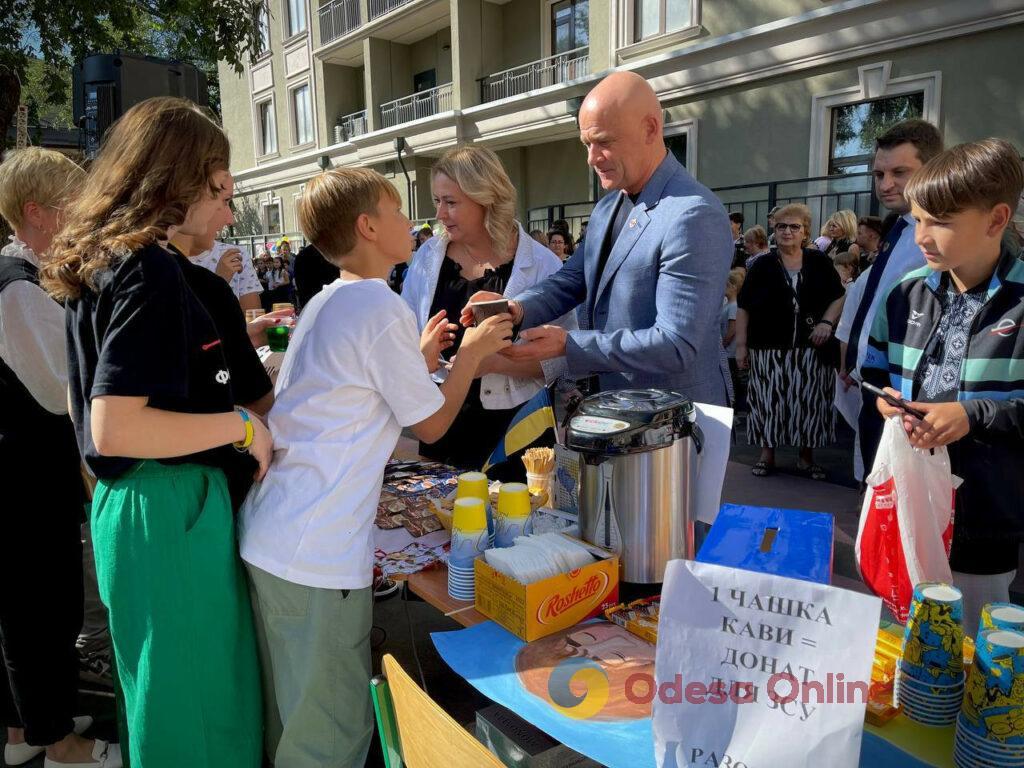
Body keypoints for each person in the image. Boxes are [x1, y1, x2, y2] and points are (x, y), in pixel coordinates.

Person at [239, 167, 513, 767]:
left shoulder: (329, 301)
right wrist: (471, 355)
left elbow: (350, 396)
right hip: (314, 551)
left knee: (294, 721)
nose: (412, 222)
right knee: (330, 736)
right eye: (397, 210)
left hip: (278, 535)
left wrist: (420, 359)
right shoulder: (379, 304)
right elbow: (433, 426)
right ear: (367, 226)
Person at [41, 97, 270, 768]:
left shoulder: (104, 261)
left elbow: (83, 409)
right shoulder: (149, 267)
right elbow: (115, 426)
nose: (227, 210)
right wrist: (241, 427)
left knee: (164, 703)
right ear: (178, 181)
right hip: (166, 508)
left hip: (136, 510)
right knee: (199, 713)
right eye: (221, 190)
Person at [463, 71, 732, 405]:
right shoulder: (608, 208)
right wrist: (517, 308)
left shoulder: (692, 214)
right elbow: (569, 281)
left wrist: (569, 345)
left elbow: (677, 344)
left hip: (676, 425)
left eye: (604, 142)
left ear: (650, 128)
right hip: (619, 415)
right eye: (587, 144)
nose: (592, 158)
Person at [860, 139, 1024, 634]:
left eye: (941, 222)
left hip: (985, 517)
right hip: (908, 508)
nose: (923, 236)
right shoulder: (904, 292)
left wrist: (971, 414)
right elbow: (874, 374)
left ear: (996, 220)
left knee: (975, 652)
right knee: (906, 644)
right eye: (918, 220)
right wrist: (889, 405)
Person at [0, 148, 120, 768]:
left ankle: (26, 731)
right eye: (74, 208)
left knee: (34, 614)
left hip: (24, 481)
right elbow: (64, 395)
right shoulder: (17, 291)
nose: (84, 220)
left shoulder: (23, 284)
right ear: (36, 214)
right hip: (24, 488)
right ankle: (61, 746)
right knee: (38, 618)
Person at [402, 146, 570, 479]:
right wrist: (423, 349)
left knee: (515, 524)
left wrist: (494, 362)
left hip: (516, 428)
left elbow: (562, 357)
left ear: (487, 199)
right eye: (437, 201)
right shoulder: (427, 258)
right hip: (442, 419)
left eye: (451, 202)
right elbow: (405, 336)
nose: (441, 214)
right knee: (442, 522)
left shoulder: (542, 264)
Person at [835, 119, 944, 480]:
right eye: (879, 174)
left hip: (911, 397)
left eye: (900, 172)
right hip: (877, 387)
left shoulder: (945, 233)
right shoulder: (899, 227)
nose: (886, 184)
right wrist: (856, 360)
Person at [735, 203, 846, 479]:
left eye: (794, 227)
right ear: (775, 230)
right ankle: (766, 455)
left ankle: (806, 458)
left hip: (811, 347)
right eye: (782, 226)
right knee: (767, 400)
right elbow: (743, 306)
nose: (787, 231)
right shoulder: (761, 264)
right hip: (768, 346)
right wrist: (740, 346)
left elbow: (839, 295)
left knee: (810, 400)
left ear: (805, 232)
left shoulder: (819, 262)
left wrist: (827, 323)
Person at [184, 177, 263, 312]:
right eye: (225, 201)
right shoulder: (157, 262)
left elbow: (252, 323)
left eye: (229, 202)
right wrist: (218, 282)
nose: (231, 220)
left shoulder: (235, 255)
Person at [720, 268, 745, 412]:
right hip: (728, 351)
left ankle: (739, 406)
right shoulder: (728, 305)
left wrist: (724, 343)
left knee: (735, 380)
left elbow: (732, 329)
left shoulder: (733, 307)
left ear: (733, 287)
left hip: (730, 351)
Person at [292, 241, 338, 311]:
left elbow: (301, 288)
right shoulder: (335, 253)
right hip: (333, 304)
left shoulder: (302, 256)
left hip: (311, 307)